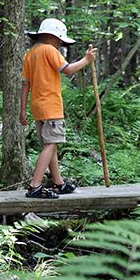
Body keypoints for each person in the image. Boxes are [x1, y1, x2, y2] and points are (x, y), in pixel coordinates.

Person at [20, 18, 97, 199]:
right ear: (51, 36)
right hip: (51, 106)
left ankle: (59, 183)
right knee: (51, 145)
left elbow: (25, 85)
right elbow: (68, 70)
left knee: (50, 145)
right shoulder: (49, 50)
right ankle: (35, 185)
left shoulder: (30, 54)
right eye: (59, 39)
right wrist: (86, 60)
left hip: (37, 106)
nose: (60, 43)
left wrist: (22, 110)